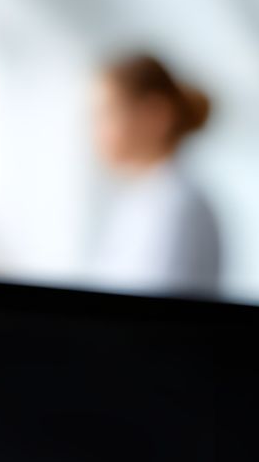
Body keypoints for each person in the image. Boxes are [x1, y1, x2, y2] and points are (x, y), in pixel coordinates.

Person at [88, 53, 223, 296]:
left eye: (107, 113)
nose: (95, 131)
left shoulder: (178, 205)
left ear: (155, 115)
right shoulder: (144, 198)